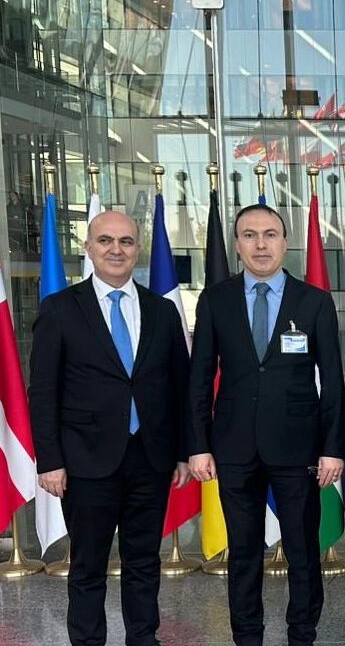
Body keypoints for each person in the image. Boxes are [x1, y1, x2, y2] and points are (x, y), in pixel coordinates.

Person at [28, 210, 192, 646]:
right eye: (105, 241)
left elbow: (179, 387)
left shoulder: (162, 311)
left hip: (150, 458)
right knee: (88, 566)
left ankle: (144, 639)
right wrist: (50, 460)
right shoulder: (60, 309)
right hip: (85, 461)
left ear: (138, 249)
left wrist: (182, 451)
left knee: (144, 562)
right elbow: (42, 391)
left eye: (126, 241)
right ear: (89, 248)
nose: (116, 250)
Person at [187, 204, 345, 646]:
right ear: (237, 244)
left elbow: (333, 382)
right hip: (233, 446)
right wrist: (198, 444)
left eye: (270, 234)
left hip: (298, 448)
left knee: (302, 551)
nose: (261, 244)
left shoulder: (313, 301)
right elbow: (199, 378)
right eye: (250, 235)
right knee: (243, 553)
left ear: (285, 242)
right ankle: (247, 636)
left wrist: (333, 448)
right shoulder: (215, 300)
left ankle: (302, 635)